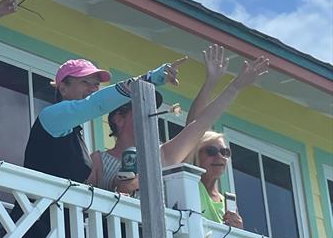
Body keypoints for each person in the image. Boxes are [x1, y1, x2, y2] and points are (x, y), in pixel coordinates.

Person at [7, 56, 185, 238]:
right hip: (37, 225)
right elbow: (97, 105)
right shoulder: (52, 117)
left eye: (95, 84)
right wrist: (150, 79)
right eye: (84, 82)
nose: (92, 88)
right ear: (62, 88)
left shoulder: (75, 133)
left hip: (68, 233)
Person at [88, 46, 269, 195]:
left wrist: (235, 86)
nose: (150, 114)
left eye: (151, 109)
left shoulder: (161, 155)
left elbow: (200, 124)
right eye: (141, 108)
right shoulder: (98, 160)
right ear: (119, 118)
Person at [193, 132, 243, 228]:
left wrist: (238, 230)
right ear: (196, 154)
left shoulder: (227, 204)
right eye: (211, 151)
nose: (220, 157)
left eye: (225, 152)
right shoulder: (191, 186)